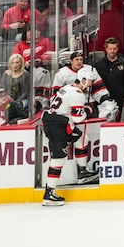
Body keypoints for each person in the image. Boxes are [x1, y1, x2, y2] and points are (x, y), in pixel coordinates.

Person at [41, 67, 93, 205]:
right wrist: (88, 110)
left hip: (61, 124)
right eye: (88, 82)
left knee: (82, 139)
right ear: (82, 80)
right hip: (58, 127)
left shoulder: (68, 88)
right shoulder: (77, 94)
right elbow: (77, 118)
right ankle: (49, 194)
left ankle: (82, 173)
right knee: (58, 160)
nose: (90, 85)